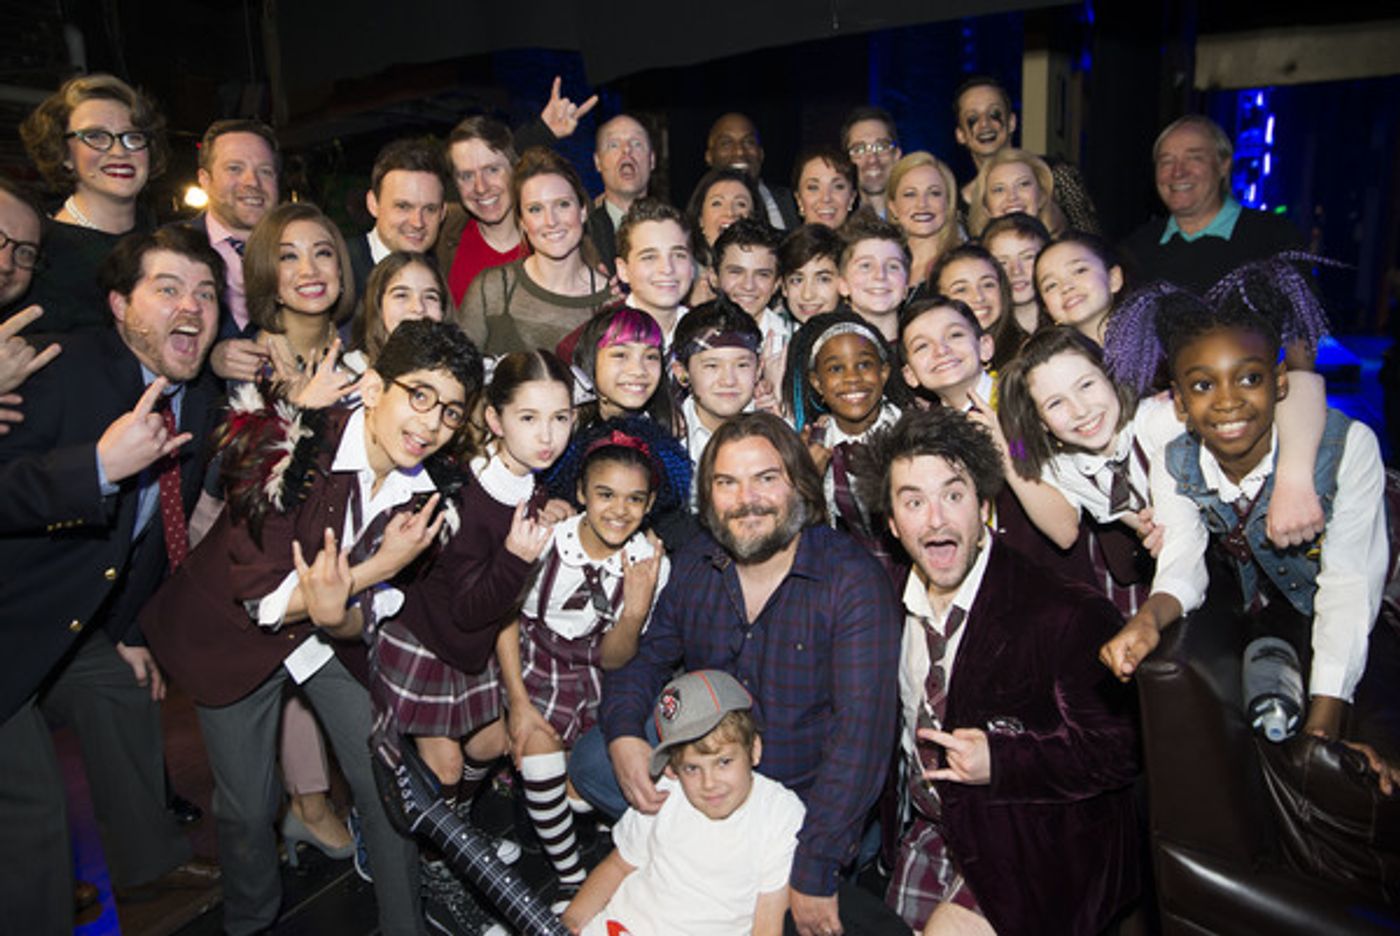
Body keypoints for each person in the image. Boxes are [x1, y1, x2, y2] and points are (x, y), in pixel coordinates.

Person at [142, 319, 482, 935]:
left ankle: (403, 927)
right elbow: (261, 600)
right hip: (230, 635)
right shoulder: (291, 444)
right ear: (375, 387)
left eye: (452, 413)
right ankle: (250, 922)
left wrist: (343, 607)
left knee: (386, 784)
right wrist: (373, 569)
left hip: (324, 639)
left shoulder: (431, 500)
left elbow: (370, 618)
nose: (431, 424)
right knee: (248, 808)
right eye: (420, 395)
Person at [575, 412, 904, 936]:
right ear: (707, 498)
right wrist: (623, 735)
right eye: (727, 483)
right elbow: (645, 657)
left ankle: (730, 870)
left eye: (765, 479)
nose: (746, 500)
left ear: (799, 484)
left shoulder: (852, 581)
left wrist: (814, 865)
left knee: (833, 892)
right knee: (593, 760)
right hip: (711, 771)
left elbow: (861, 741)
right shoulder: (698, 562)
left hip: (804, 803)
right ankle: (701, 866)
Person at [0, 225, 226, 932]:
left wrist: (128, 631)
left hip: (69, 616)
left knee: (121, 691)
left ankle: (149, 871)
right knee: (31, 803)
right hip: (8, 618)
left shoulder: (199, 393)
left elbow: (157, 533)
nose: (191, 305)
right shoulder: (56, 369)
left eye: (206, 292)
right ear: (119, 303)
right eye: (167, 289)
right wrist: (95, 467)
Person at [1099, 262, 1391, 757]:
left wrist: (1325, 722)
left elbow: (1350, 589)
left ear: (1280, 381)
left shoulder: (1347, 447)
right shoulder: (1177, 459)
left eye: (1249, 377)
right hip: (1277, 620)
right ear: (1179, 404)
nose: (1229, 402)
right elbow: (1183, 557)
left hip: (1371, 621)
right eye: (1203, 385)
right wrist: (1149, 618)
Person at [869, 407, 1140, 935]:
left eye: (953, 495)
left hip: (1037, 838)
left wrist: (1005, 759)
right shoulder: (883, 605)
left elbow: (1120, 751)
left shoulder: (1063, 611)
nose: (936, 519)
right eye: (914, 501)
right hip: (933, 832)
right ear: (893, 524)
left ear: (984, 506)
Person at [371, 349, 570, 933]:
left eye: (560, 418)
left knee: (489, 746)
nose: (547, 435)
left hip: (472, 644)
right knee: (449, 764)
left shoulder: (525, 485)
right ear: (495, 419)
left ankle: (455, 828)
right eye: (529, 418)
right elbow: (465, 609)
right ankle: (438, 872)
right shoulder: (465, 492)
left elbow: (493, 609)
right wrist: (515, 559)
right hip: (430, 642)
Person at [493, 423, 671, 905]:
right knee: (531, 752)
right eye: (605, 494)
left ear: (650, 503)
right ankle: (570, 875)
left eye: (635, 499)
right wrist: (517, 701)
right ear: (581, 492)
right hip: (528, 656)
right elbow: (503, 617)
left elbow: (615, 658)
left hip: (594, 670)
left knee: (574, 781)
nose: (619, 510)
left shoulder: (651, 561)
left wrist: (635, 608)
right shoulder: (550, 537)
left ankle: (577, 831)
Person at [563, 669, 805, 936]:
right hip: (614, 925)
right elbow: (619, 865)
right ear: (673, 767)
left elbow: (767, 925)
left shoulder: (780, 815)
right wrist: (571, 921)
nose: (709, 782)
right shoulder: (667, 791)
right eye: (691, 768)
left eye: (724, 762)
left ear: (754, 749)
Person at [16, 73, 168, 333]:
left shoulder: (168, 239)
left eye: (132, 136)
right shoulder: (35, 251)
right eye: (95, 136)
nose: (119, 152)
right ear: (64, 154)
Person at [436, 79, 598, 306]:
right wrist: (542, 131)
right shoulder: (443, 232)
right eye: (467, 176)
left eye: (492, 170)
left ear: (514, 169)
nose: (481, 187)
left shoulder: (558, 237)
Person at [1118, 115, 1304, 294]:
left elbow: (1301, 322)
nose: (1178, 172)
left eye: (1194, 158)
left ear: (1224, 166)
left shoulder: (1272, 238)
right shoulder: (1137, 249)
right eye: (1166, 161)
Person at [459, 147, 612, 355]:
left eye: (562, 204)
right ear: (522, 221)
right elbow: (457, 377)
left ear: (583, 210)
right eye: (535, 209)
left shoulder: (611, 302)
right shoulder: (491, 289)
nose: (551, 221)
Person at [185, 119, 282, 383]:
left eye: (265, 171)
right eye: (235, 169)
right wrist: (207, 357)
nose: (252, 182)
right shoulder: (171, 249)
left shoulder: (304, 252)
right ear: (204, 180)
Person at [951, 76, 1099, 235]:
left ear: (1012, 122)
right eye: (973, 118)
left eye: (994, 113)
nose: (985, 124)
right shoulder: (958, 208)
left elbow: (1094, 244)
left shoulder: (1058, 175)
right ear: (961, 135)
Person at [670, 297, 764, 478]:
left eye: (742, 365)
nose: (728, 380)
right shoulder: (667, 437)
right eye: (712, 366)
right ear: (682, 372)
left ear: (759, 369)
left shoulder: (779, 434)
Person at [345, 138, 450, 297]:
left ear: (442, 213)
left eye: (429, 209)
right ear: (373, 204)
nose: (417, 223)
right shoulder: (339, 271)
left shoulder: (443, 275)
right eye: (403, 207)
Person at [704, 112, 799, 231]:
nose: (739, 152)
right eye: (726, 143)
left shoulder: (790, 201)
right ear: (709, 157)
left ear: (761, 154)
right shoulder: (698, 207)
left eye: (749, 142)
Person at [684, 167, 763, 307]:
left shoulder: (768, 278)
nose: (730, 212)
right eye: (717, 203)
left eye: (741, 204)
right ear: (700, 219)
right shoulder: (683, 275)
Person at [585, 114, 655, 272]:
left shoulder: (676, 229)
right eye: (614, 145)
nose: (627, 150)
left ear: (651, 160)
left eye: (637, 143)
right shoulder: (580, 235)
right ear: (598, 162)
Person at [351, 251, 449, 360]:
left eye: (430, 297)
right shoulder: (346, 372)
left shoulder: (458, 372)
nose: (419, 308)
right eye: (401, 295)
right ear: (377, 304)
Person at [1034, 232, 1126, 347]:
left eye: (1079, 271)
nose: (1066, 287)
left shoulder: (1153, 328)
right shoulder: (1056, 363)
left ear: (1114, 278)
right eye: (1051, 285)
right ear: (1046, 308)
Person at [885, 152, 961, 286]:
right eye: (910, 194)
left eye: (934, 193)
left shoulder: (965, 263)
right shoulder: (882, 268)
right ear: (893, 207)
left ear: (948, 203)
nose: (922, 204)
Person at [836, 214, 910, 343]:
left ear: (905, 287)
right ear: (843, 284)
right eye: (866, 266)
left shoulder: (923, 351)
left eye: (893, 266)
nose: (880, 275)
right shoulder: (829, 351)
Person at [965, 147, 1066, 240]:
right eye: (999, 189)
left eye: (1023, 184)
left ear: (1041, 196)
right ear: (985, 204)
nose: (1012, 197)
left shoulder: (1065, 253)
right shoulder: (972, 258)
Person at [981, 212, 1051, 339]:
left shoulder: (1072, 318)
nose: (1016, 271)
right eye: (1002, 262)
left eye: (1028, 257)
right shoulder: (986, 340)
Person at [841, 106, 902, 220]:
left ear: (896, 155)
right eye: (859, 149)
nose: (872, 159)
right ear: (846, 161)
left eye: (881, 147)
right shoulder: (837, 230)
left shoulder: (917, 223)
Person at [778, 223, 843, 323]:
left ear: (843, 283)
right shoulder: (776, 333)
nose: (807, 295)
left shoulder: (853, 336)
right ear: (784, 287)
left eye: (823, 279)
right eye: (797, 280)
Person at [791, 146, 857, 230]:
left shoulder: (872, 242)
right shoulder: (781, 243)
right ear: (799, 199)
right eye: (813, 188)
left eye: (838, 187)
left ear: (852, 198)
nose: (826, 198)